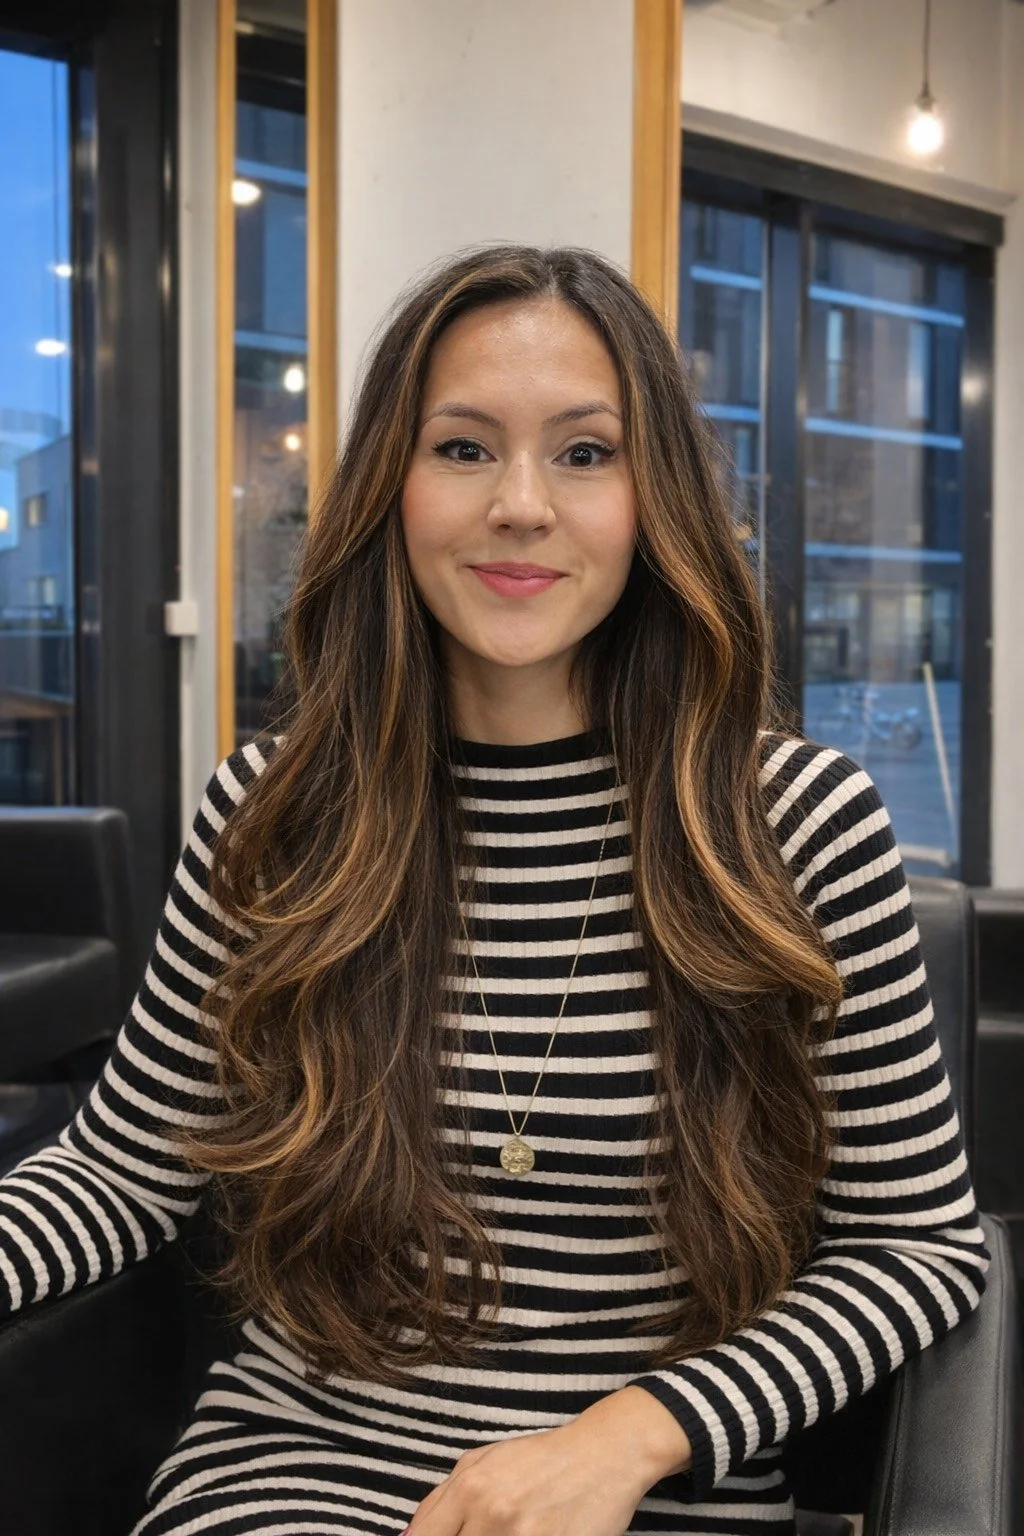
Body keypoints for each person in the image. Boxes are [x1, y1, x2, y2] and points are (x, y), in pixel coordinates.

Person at [0, 245, 988, 1536]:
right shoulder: (275, 813)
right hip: (295, 1479)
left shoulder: (798, 827)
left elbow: (919, 1252)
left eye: (585, 454)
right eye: (463, 449)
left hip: (648, 1498)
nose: (522, 504)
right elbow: (120, 1176)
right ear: (390, 493)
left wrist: (628, 1438)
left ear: (655, 499)